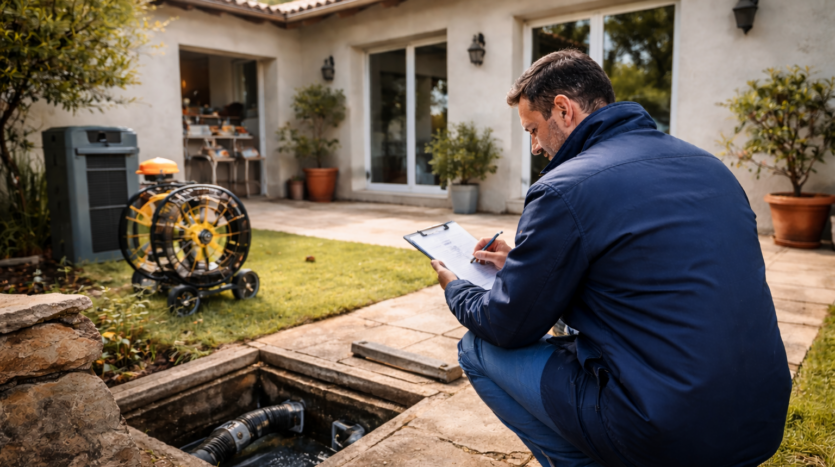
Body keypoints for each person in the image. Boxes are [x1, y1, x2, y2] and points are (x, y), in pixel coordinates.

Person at [430, 49, 791, 467]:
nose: (534, 147)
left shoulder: (564, 187)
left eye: (533, 129)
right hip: (759, 419)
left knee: (476, 349)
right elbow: (640, 269)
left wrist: (456, 287)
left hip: (664, 433)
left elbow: (507, 325)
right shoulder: (709, 166)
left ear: (563, 110)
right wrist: (522, 264)